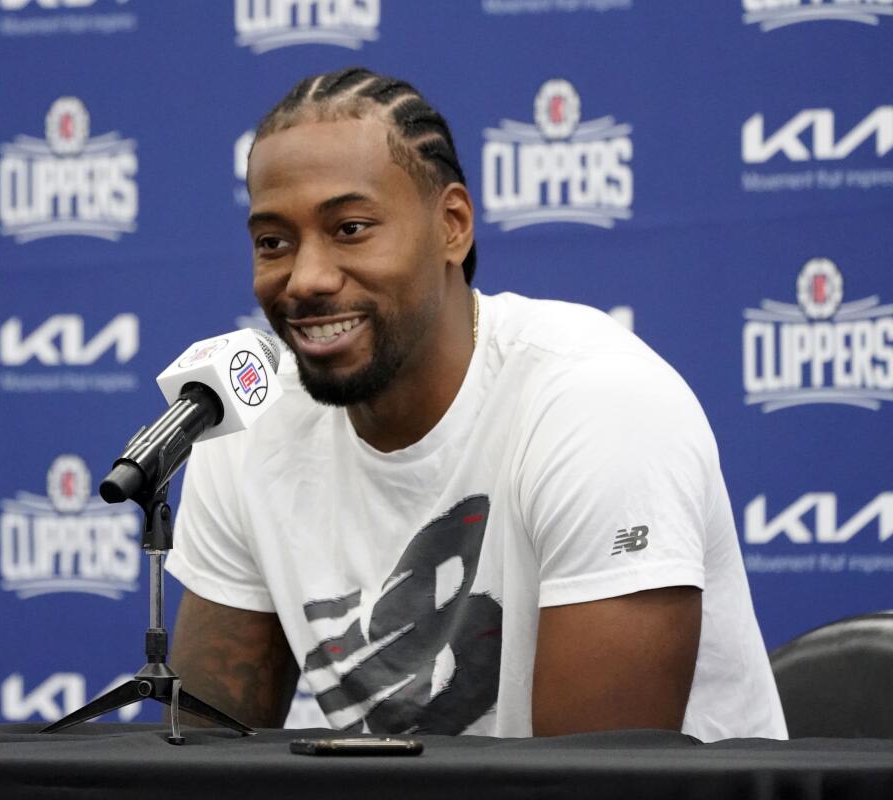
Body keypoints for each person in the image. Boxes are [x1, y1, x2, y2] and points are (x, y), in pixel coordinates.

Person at [165, 67, 787, 740]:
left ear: (453, 226)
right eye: (273, 242)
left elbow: (595, 789)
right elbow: (204, 758)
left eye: (350, 228)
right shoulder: (248, 425)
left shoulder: (598, 405)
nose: (305, 278)